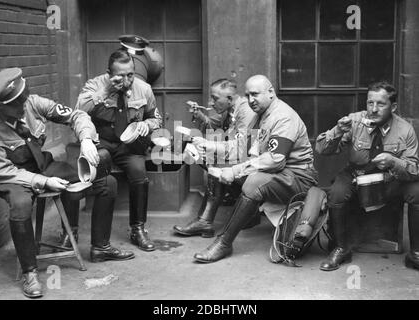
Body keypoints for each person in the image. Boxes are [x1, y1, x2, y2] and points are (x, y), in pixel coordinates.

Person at [0, 68, 134, 299]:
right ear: (0, 105)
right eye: (16, 105)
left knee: (107, 182)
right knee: (20, 205)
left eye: (23, 100)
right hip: (15, 177)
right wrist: (43, 181)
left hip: (43, 166)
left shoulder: (33, 102)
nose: (22, 108)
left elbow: (76, 115)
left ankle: (100, 247)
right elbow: (1, 170)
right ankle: (30, 273)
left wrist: (86, 139)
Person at [193, 75, 318, 263]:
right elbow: (241, 147)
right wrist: (211, 146)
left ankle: (224, 242)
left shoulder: (283, 116)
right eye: (247, 95)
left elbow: (275, 160)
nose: (251, 100)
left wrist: (234, 171)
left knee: (252, 181)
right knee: (224, 167)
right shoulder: (260, 116)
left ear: (270, 92)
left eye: (255, 94)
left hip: (299, 177)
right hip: (280, 175)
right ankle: (209, 221)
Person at [316, 81, 419, 271]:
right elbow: (322, 149)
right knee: (337, 192)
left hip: (390, 179)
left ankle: (416, 254)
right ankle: (341, 248)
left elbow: (414, 170)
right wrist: (338, 130)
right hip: (357, 174)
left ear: (393, 106)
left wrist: (393, 161)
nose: (373, 109)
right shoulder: (354, 121)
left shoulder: (405, 130)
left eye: (380, 104)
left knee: (417, 191)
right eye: (370, 103)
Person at [76, 49, 163, 252]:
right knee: (103, 176)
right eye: (120, 75)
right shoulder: (95, 85)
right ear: (109, 73)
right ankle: (94, 238)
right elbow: (79, 111)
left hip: (129, 145)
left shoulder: (144, 89)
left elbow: (155, 117)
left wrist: (147, 126)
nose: (126, 80)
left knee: (139, 174)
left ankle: (138, 228)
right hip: (102, 141)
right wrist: (106, 90)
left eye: (130, 74)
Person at [173, 79, 258, 238]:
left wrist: (211, 148)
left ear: (230, 99)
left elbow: (241, 148)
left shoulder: (246, 112)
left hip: (255, 162)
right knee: (199, 156)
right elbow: (212, 124)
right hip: (241, 158)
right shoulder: (229, 109)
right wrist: (199, 115)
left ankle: (205, 221)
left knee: (214, 163)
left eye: (215, 98)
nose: (211, 103)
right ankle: (240, 210)